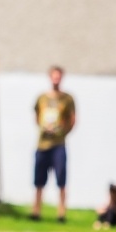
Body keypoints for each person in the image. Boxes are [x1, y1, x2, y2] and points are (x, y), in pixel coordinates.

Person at [30, 66, 76, 223]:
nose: (56, 80)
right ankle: (36, 211)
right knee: (38, 180)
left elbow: (72, 119)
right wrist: (45, 128)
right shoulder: (42, 98)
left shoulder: (67, 99)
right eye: (54, 77)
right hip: (42, 144)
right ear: (50, 77)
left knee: (61, 179)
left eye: (59, 77)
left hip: (59, 144)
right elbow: (36, 116)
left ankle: (61, 213)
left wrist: (61, 132)